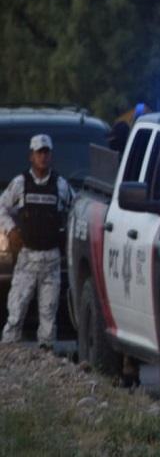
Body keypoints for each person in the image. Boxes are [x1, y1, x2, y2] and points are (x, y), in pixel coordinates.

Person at [0, 134, 74, 350]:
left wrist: (66, 233)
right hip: (26, 259)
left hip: (51, 260)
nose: (43, 157)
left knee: (49, 318)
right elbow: (2, 206)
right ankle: (8, 360)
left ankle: (46, 362)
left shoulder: (60, 185)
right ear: (31, 156)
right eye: (39, 152)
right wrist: (11, 229)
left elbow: (75, 209)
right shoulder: (20, 183)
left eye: (46, 152)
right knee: (16, 312)